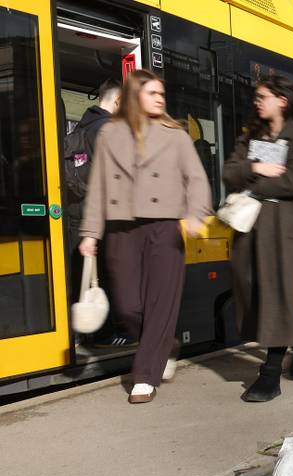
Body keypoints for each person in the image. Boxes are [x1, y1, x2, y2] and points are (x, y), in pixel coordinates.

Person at [78, 69, 211, 404]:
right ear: (135, 96)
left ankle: (145, 377)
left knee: (159, 304)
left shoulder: (175, 134)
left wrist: (195, 215)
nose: (160, 99)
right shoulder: (110, 134)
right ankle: (166, 344)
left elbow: (196, 179)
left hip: (164, 228)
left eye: (161, 94)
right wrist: (91, 233)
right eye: (152, 93)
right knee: (127, 307)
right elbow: (98, 186)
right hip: (121, 228)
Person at [223, 75, 293, 403]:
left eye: (263, 96)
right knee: (249, 287)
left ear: (282, 100)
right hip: (249, 225)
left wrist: (251, 182)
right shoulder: (250, 135)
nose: (257, 101)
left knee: (279, 293)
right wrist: (259, 167)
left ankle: (270, 374)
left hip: (286, 227)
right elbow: (229, 172)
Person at [62, 80, 137, 348]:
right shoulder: (109, 130)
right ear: (117, 102)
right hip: (102, 215)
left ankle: (88, 332)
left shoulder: (80, 128)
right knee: (109, 272)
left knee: (87, 273)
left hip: (75, 212)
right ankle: (113, 333)